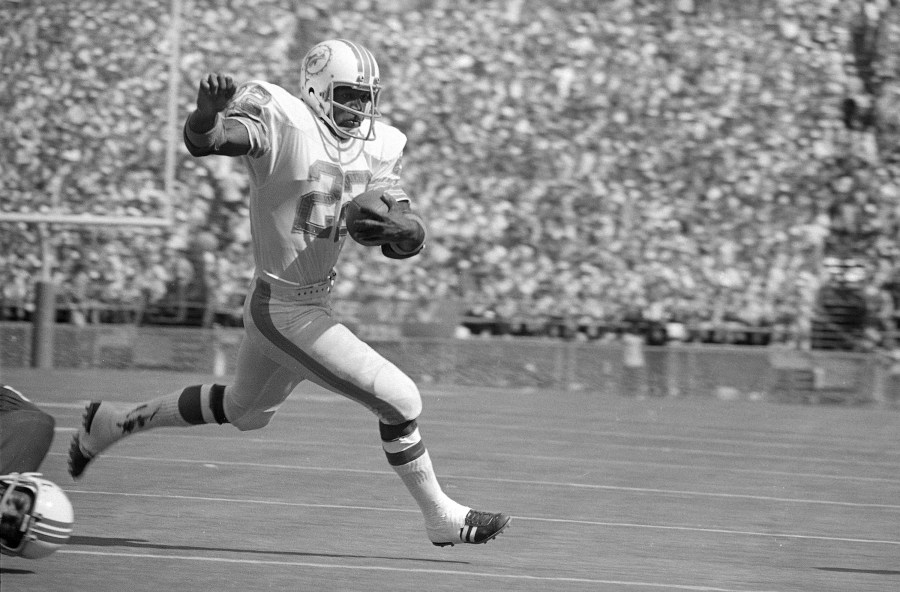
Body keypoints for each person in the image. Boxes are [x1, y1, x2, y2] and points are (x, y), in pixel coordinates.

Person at [68, 39, 510, 547]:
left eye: (367, 98)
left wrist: (409, 233)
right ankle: (441, 516)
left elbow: (401, 231)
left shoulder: (383, 143)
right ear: (318, 88)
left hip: (306, 303)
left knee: (244, 412)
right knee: (401, 400)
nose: (359, 109)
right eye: (348, 94)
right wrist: (204, 116)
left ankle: (112, 423)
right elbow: (210, 141)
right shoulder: (284, 118)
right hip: (282, 306)